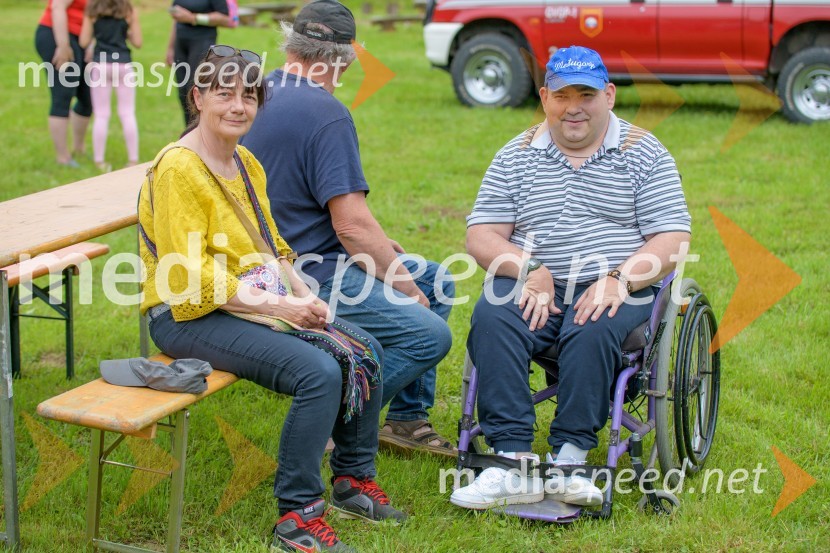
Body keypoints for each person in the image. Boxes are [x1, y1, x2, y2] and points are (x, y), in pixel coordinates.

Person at [138, 46, 405, 553]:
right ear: (197, 98)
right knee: (318, 372)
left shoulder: (246, 162)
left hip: (246, 299)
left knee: (364, 350)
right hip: (185, 313)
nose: (238, 106)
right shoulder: (179, 168)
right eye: (224, 95)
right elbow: (185, 274)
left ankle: (352, 479)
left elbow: (273, 246)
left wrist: (307, 295)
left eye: (249, 97)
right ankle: (297, 515)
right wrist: (282, 308)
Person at [450, 46, 692, 510]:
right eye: (562, 95)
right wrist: (527, 269)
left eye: (586, 94)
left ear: (610, 95)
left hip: (620, 282)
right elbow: (481, 235)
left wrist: (619, 279)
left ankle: (570, 459)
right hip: (536, 280)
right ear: (545, 98)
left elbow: (673, 237)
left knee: (593, 324)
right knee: (495, 314)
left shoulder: (644, 152)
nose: (574, 107)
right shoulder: (516, 155)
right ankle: (511, 461)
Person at [241, 0, 456, 458]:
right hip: (308, 273)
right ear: (342, 61)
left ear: (291, 45)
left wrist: (383, 251)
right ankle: (338, 420)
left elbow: (311, 204)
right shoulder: (327, 112)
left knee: (438, 278)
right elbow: (353, 225)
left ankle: (405, 420)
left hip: (269, 261)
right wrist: (398, 279)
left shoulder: (254, 94)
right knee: (428, 331)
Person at [80, 0, 142, 172]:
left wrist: (96, 36)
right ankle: (133, 159)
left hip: (101, 65)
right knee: (127, 112)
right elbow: (138, 41)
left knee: (101, 114)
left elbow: (84, 41)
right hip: (123, 64)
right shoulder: (128, 9)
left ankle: (99, 161)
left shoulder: (92, 9)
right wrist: (125, 33)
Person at [35, 0, 92, 167]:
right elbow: (58, 6)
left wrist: (91, 43)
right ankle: (63, 158)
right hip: (57, 35)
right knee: (63, 94)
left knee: (87, 97)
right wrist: (63, 46)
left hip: (81, 38)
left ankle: (79, 149)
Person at [166, 0, 232, 126]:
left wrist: (193, 18)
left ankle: (201, 133)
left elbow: (225, 18)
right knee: (183, 92)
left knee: (195, 90)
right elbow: (177, 18)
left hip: (202, 41)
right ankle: (188, 133)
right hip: (181, 44)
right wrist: (171, 47)